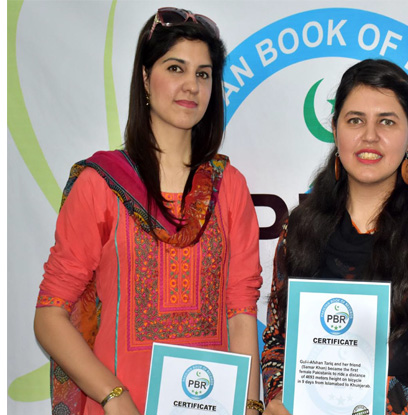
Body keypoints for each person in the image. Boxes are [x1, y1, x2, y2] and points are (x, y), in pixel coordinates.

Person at [34, 8, 264, 415]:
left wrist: (250, 404)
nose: (191, 85)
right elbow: (51, 316)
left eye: (203, 74)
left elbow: (241, 312)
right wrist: (113, 395)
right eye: (175, 67)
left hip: (213, 405)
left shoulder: (229, 187)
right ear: (144, 76)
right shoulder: (102, 184)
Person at [261, 59, 408, 415]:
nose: (369, 136)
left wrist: (393, 402)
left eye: (387, 121)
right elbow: (277, 343)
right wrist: (279, 397)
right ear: (335, 130)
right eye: (355, 120)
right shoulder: (300, 231)